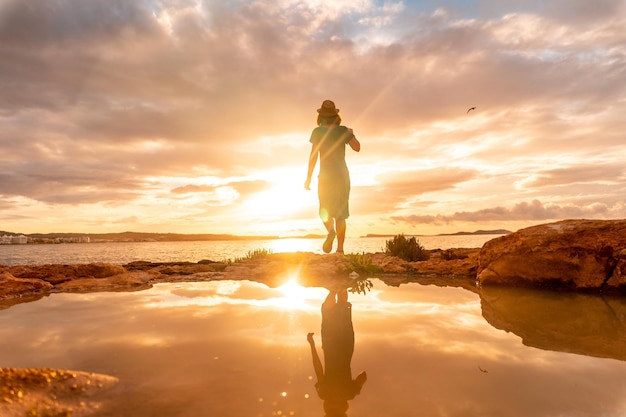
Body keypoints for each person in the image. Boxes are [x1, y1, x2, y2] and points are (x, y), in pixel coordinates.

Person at [305, 100, 361, 254]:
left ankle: (330, 231)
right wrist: (350, 134)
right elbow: (357, 148)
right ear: (336, 116)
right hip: (342, 175)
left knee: (324, 210)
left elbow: (313, 156)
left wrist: (308, 178)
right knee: (341, 214)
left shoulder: (317, 132)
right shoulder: (343, 131)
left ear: (321, 116)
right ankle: (340, 250)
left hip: (325, 176)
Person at [307, 289, 367, 417]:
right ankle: (334, 288)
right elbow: (318, 367)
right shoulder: (324, 393)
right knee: (327, 313)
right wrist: (312, 344)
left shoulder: (350, 393)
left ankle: (341, 284)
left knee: (343, 308)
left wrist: (357, 387)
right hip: (330, 347)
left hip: (346, 348)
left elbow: (364, 375)